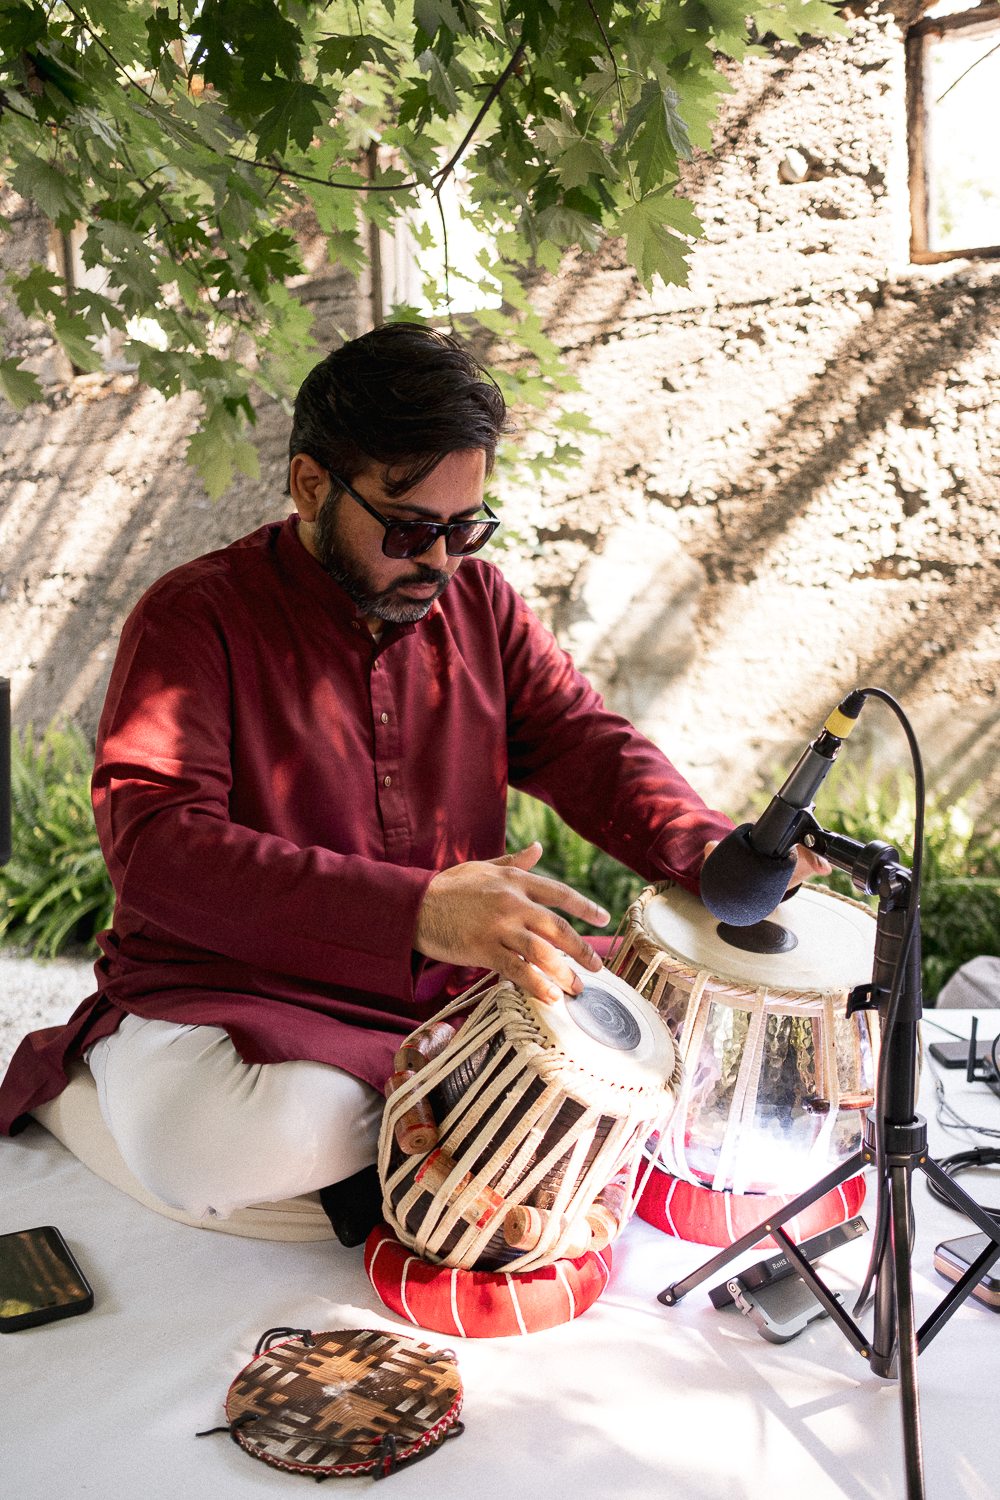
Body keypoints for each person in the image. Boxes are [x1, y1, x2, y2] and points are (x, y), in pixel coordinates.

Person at [0, 325, 825, 1243]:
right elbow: (159, 854)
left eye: (464, 527)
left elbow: (581, 740)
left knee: (635, 1074)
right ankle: (85, 1094)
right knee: (225, 1144)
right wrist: (418, 912)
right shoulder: (196, 618)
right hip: (238, 987)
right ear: (311, 485)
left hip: (441, 992)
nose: (440, 560)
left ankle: (407, 1134)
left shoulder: (481, 603)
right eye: (409, 528)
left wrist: (703, 844)